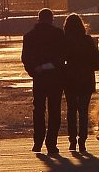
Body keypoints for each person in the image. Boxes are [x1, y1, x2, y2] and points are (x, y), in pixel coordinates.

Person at [21, 8, 67, 154]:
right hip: (55, 78)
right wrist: (50, 66)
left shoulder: (29, 36)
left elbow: (25, 58)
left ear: (38, 19)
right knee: (54, 110)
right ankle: (51, 143)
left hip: (39, 78)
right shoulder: (59, 34)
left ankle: (38, 141)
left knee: (39, 110)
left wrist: (35, 70)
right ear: (51, 19)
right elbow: (63, 55)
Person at [62, 13, 99, 153]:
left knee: (71, 110)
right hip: (86, 78)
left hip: (69, 79)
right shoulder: (87, 40)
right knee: (83, 111)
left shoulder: (65, 40)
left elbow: (60, 58)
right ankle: (82, 140)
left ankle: (72, 140)